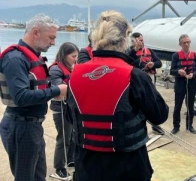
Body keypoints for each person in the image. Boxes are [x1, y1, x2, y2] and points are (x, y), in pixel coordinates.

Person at [65, 10, 169, 181]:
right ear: (125, 39)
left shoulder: (75, 75)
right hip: (128, 167)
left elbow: (71, 116)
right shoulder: (134, 76)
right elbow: (159, 115)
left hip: (87, 166)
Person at [0, 14, 67, 181]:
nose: (53, 43)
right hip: (20, 125)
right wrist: (56, 91)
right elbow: (20, 97)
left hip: (31, 126)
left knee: (38, 175)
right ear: (36, 32)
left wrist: (55, 90)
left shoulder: (31, 56)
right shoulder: (15, 59)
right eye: (51, 38)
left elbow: (37, 86)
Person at [48, 42, 79, 180]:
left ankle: (70, 159)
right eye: (73, 56)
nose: (76, 59)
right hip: (60, 108)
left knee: (72, 136)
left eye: (77, 56)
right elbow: (60, 89)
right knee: (64, 138)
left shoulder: (71, 68)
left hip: (70, 107)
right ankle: (59, 168)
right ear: (64, 55)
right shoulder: (55, 70)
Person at [127, 32, 164, 135]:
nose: (142, 43)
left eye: (143, 40)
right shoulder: (129, 52)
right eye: (140, 40)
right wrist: (135, 50)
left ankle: (155, 125)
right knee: (137, 104)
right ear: (134, 41)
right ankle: (138, 127)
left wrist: (153, 64)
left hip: (149, 79)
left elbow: (159, 63)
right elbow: (126, 61)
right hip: (136, 82)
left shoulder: (149, 51)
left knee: (152, 101)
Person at [170, 34, 196, 134]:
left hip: (191, 83)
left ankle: (189, 126)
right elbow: (172, 71)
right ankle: (176, 126)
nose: (187, 44)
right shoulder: (175, 56)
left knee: (190, 106)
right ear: (180, 44)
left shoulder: (195, 55)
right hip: (180, 83)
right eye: (184, 42)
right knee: (177, 106)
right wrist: (179, 71)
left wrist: (193, 74)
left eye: (188, 42)